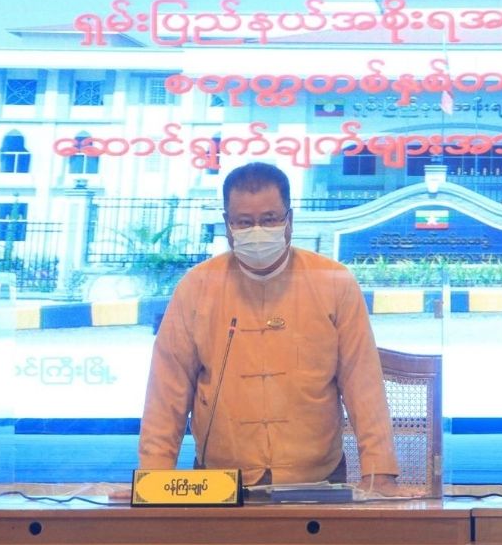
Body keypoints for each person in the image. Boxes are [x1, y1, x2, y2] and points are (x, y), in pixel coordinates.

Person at [137, 162, 401, 494]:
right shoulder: (197, 286)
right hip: (219, 481)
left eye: (270, 219)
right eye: (244, 222)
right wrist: (153, 478)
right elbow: (167, 390)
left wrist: (380, 471)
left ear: (290, 220)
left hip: (318, 477)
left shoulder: (334, 282)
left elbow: (363, 382)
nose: (257, 231)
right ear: (228, 224)